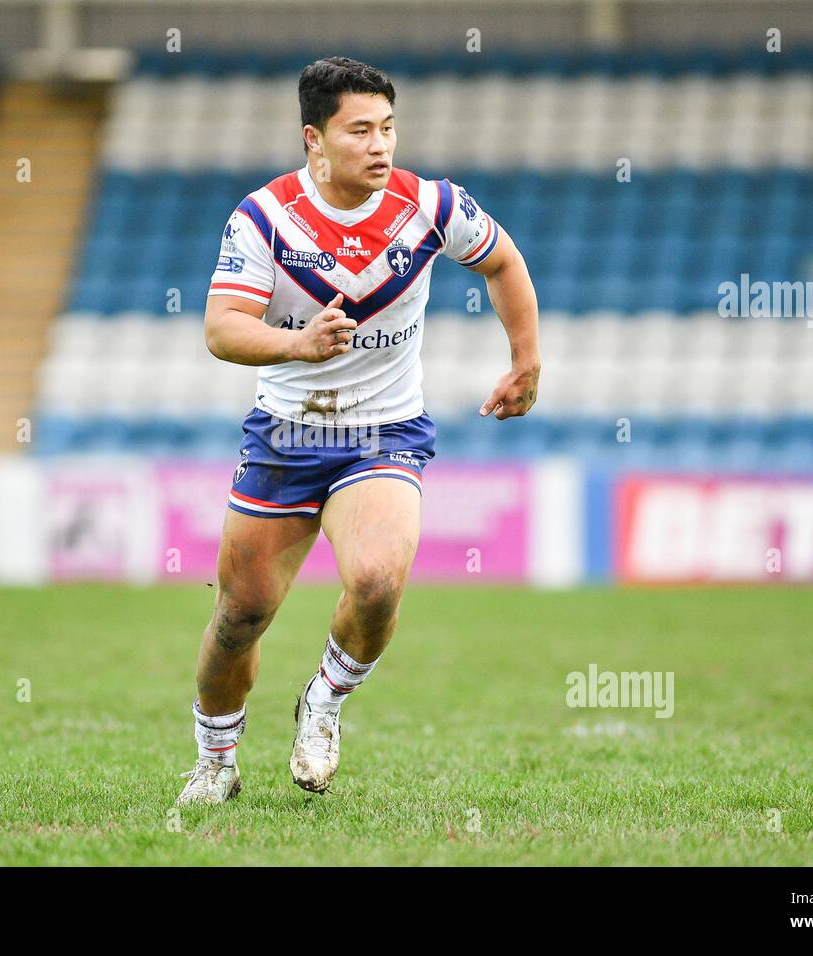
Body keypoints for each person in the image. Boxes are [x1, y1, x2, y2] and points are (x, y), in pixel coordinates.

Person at [177, 55, 540, 805]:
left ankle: (324, 704)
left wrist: (526, 361)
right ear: (314, 139)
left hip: (384, 432)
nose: (382, 145)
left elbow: (504, 262)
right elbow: (221, 329)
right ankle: (216, 760)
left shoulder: (433, 206)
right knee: (240, 615)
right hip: (286, 436)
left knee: (376, 582)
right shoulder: (265, 218)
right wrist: (298, 343)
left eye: (389, 128)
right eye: (361, 131)